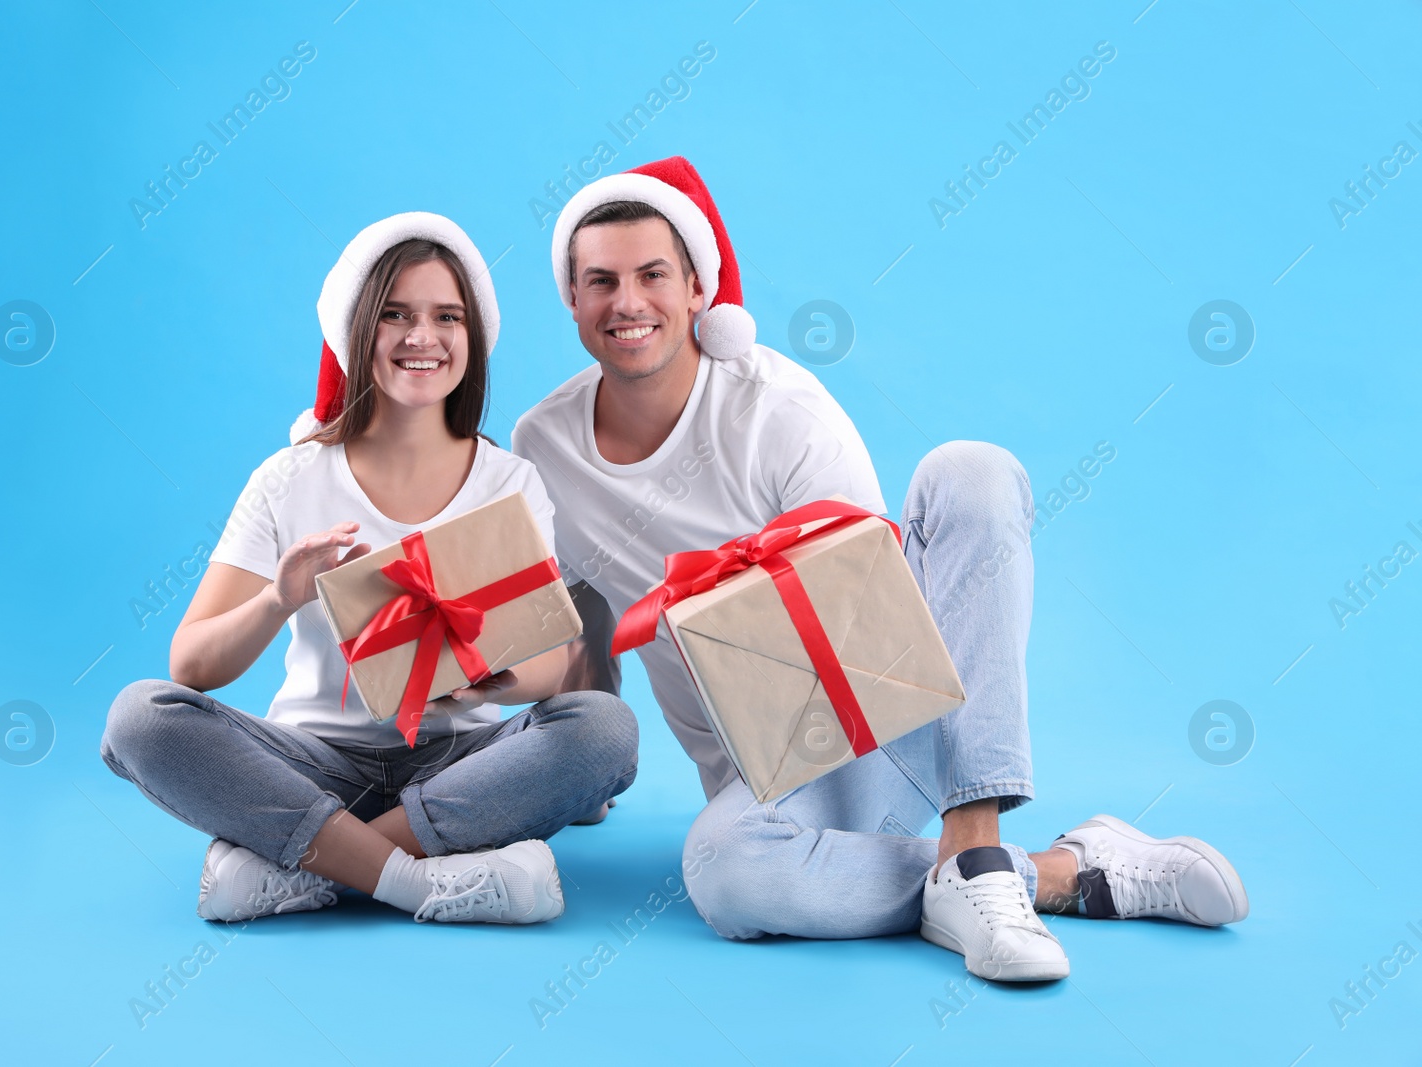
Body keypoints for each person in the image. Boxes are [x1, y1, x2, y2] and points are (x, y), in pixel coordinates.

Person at [512, 157, 1248, 980]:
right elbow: (585, 614)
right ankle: (1059, 873)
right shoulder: (542, 446)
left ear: (695, 288)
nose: (628, 302)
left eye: (652, 273)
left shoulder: (778, 410)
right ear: (572, 300)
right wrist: (587, 766)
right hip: (777, 784)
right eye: (601, 280)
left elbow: (874, 612)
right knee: (721, 870)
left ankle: (973, 842)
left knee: (971, 470)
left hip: (900, 715)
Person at [101, 212, 638, 927]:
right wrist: (280, 599)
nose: (423, 337)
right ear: (360, 331)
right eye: (395, 315)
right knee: (139, 717)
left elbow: (549, 668)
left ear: (471, 339)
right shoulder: (289, 478)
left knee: (602, 727)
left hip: (457, 764)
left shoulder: (510, 482)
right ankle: (418, 880)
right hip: (311, 765)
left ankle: (307, 870)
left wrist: (482, 673)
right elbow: (190, 665)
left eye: (447, 316)